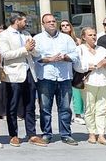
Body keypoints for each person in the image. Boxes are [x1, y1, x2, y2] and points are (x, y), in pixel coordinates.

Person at [32, 13, 78, 146]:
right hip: (46, 76)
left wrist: (65, 58)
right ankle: (46, 133)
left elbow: (75, 55)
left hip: (64, 76)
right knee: (45, 108)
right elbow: (35, 58)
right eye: (49, 22)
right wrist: (50, 59)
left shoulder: (66, 38)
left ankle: (66, 134)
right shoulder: (38, 39)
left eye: (53, 21)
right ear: (43, 24)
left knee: (65, 107)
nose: (52, 23)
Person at [0, 12, 41, 146]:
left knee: (30, 105)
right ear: (16, 20)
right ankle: (13, 134)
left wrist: (32, 49)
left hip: (29, 72)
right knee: (13, 105)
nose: (26, 23)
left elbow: (37, 53)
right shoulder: (4, 35)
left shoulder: (27, 34)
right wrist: (24, 49)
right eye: (24, 21)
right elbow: (5, 54)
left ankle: (32, 133)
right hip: (14, 74)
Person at [75, 27, 106, 146]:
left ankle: (101, 134)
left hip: (104, 82)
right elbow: (77, 66)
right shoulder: (80, 49)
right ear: (84, 37)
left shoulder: (102, 49)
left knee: (102, 109)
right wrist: (96, 65)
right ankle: (91, 133)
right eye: (90, 35)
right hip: (89, 82)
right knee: (90, 108)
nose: (93, 37)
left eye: (94, 35)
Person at [59, 19, 84, 123]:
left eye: (67, 25)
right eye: (62, 25)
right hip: (64, 68)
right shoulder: (59, 40)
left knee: (78, 91)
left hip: (76, 68)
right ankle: (68, 114)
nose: (65, 27)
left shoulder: (77, 40)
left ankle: (78, 114)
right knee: (66, 94)